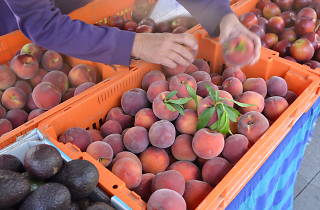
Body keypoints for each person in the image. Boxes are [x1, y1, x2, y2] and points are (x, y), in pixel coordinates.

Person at [0, 0, 260, 69]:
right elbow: (41, 23)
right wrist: (134, 43)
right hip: (10, 28)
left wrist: (220, 15)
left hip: (74, 15)